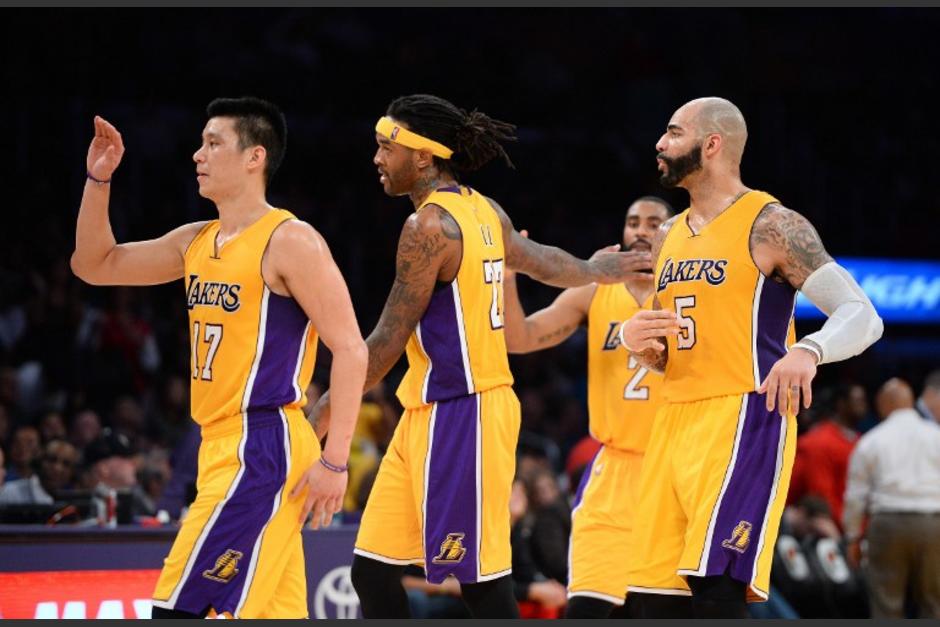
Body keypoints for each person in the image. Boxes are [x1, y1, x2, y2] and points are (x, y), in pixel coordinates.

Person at [310, 93, 651, 618]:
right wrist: (597, 269)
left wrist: (325, 412)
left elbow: (385, 342)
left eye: (386, 147)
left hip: (465, 412)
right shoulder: (484, 209)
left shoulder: (428, 228)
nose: (377, 158)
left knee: (478, 583)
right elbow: (544, 261)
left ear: (422, 156)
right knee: (372, 571)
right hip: (426, 409)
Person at [70, 97, 367, 618]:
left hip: (262, 445)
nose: (197, 155)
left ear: (255, 157)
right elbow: (95, 264)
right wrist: (99, 182)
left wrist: (335, 460)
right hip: (219, 444)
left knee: (176, 610)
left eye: (213, 144)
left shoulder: (289, 240)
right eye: (200, 143)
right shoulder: (196, 240)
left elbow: (350, 348)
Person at [619, 97, 883, 618]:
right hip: (672, 417)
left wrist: (809, 349)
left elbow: (863, 314)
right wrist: (639, 342)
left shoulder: (772, 225)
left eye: (673, 133)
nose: (660, 143)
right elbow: (670, 350)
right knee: (652, 600)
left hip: (743, 417)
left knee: (716, 592)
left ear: (711, 145)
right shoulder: (669, 235)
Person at [502, 196, 681, 617]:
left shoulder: (689, 292)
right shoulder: (594, 291)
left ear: (674, 233)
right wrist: (509, 277)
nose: (640, 230)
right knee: (587, 609)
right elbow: (520, 338)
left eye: (654, 222)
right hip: (613, 475)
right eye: (632, 221)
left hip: (676, 470)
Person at [843, 377, 940, 618]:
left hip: (888, 524)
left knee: (886, 604)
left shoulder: (871, 440)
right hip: (934, 523)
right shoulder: (935, 435)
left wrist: (853, 537)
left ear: (884, 405)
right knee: (934, 604)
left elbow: (855, 495)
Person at [788, 382, 867, 528]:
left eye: (863, 400)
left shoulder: (859, 440)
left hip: (853, 520)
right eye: (857, 400)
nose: (863, 406)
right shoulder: (820, 441)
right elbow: (821, 497)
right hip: (823, 523)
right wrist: (852, 529)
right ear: (841, 404)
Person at [0, 438, 78, 505]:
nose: (57, 468)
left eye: (66, 464)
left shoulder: (74, 502)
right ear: (40, 461)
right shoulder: (9, 493)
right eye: (52, 460)